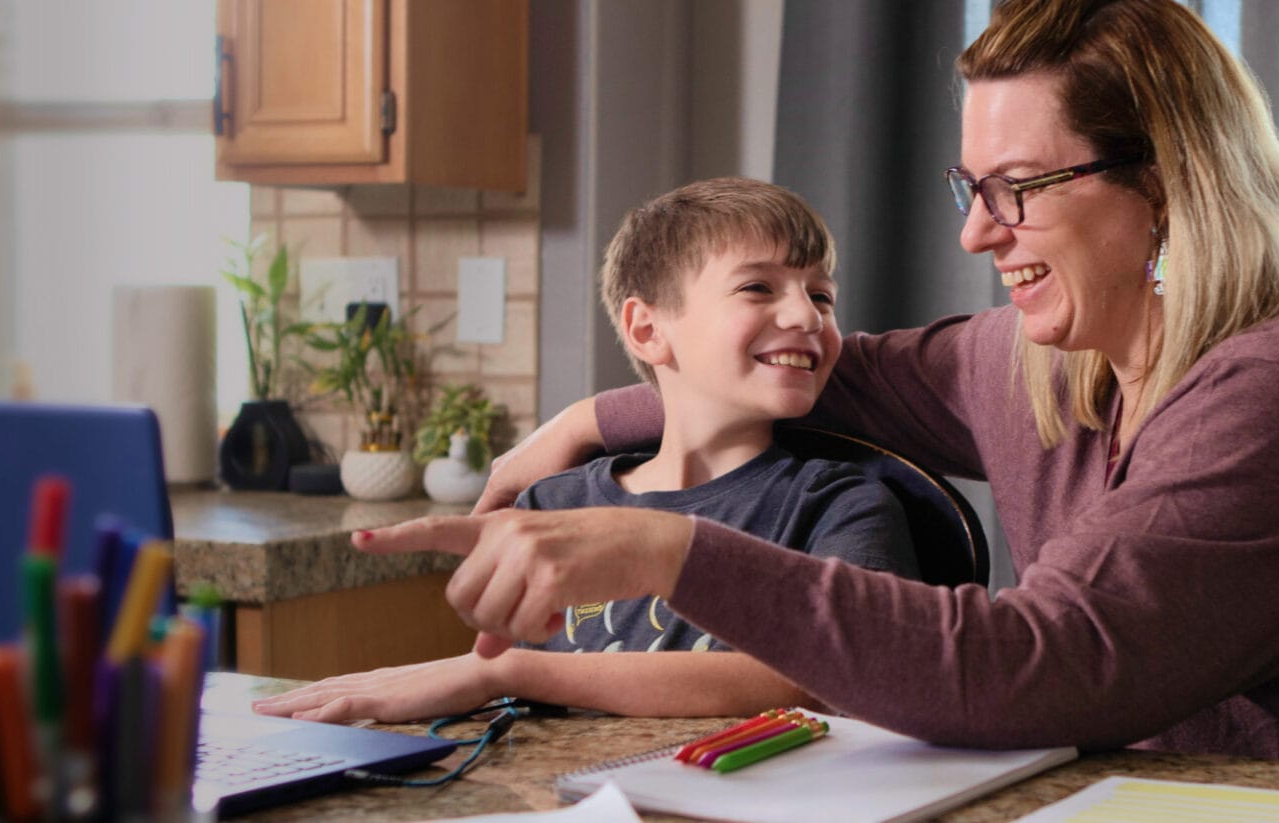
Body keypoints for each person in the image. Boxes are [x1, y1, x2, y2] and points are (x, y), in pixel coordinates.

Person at [350, 0, 1279, 773]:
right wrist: (589, 419)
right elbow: (820, 372)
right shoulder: (1043, 360)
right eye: (969, 186)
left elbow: (1033, 667)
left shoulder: (1277, 402)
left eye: (1018, 188)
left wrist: (667, 549)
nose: (975, 232)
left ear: (1165, 185)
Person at [253, 178, 918, 723]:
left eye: (822, 294)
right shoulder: (553, 505)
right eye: (758, 287)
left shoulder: (841, 504)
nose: (808, 315)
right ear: (647, 329)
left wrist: (508, 672)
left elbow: (823, 673)